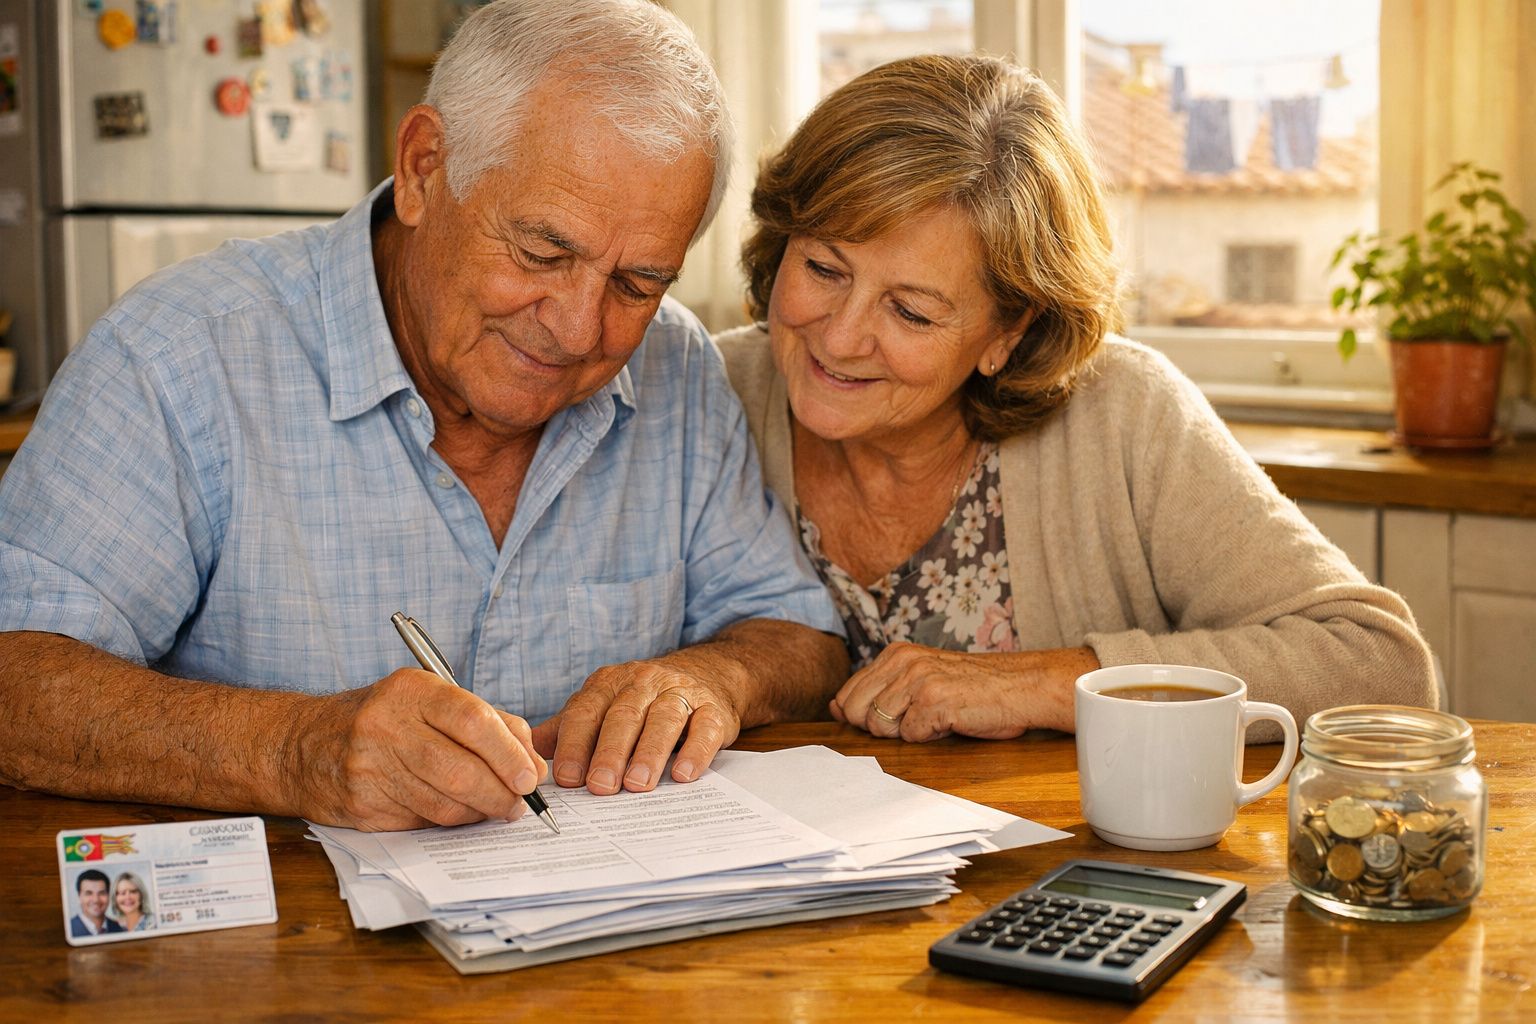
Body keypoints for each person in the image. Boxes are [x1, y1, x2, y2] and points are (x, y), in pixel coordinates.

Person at [0, 0, 845, 831]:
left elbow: (799, 635)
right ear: (423, 168)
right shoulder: (183, 353)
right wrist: (294, 749)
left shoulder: (676, 364)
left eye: (637, 284)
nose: (578, 329)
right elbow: (16, 679)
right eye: (542, 252)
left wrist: (711, 679)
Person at [716, 54, 1436, 743]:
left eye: (911, 312)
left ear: (1008, 330)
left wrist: (1047, 684)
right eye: (823, 268)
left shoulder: (1122, 414)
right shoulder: (709, 389)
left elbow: (1381, 669)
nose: (841, 338)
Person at [69, 870, 125, 938]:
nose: (96, 900)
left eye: (102, 893)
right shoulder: (69, 929)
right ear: (79, 896)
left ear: (109, 895)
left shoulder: (120, 929)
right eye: (89, 893)